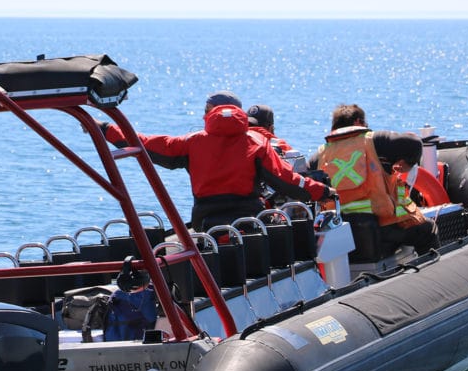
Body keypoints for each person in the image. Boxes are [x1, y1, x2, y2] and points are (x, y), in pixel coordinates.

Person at [95, 91, 336, 231]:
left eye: (206, 109)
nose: (202, 114)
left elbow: (146, 143)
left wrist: (106, 129)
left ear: (212, 112)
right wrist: (322, 191)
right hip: (248, 221)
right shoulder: (256, 142)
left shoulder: (192, 142)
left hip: (205, 222)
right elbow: (288, 180)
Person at [313, 103, 436, 255]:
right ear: (358, 122)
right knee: (428, 230)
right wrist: (406, 165)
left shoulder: (320, 155)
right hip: (382, 226)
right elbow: (415, 144)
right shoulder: (375, 141)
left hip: (339, 232)